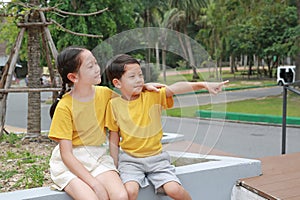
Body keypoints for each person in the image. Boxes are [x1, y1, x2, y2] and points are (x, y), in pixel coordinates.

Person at [105, 54, 229, 200]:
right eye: (132, 76)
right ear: (117, 83)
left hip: (157, 159)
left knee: (175, 190)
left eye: (140, 75)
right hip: (130, 161)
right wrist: (114, 166)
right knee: (130, 192)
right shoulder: (114, 105)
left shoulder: (152, 95)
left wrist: (204, 85)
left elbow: (174, 89)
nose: (139, 80)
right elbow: (113, 137)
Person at [48, 47, 161, 200]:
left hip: (98, 157)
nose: (97, 69)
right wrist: (95, 184)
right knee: (92, 198)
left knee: (121, 196)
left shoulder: (105, 94)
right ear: (73, 77)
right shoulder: (65, 107)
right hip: (71, 163)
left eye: (96, 63)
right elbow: (66, 155)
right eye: (90, 66)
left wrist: (143, 86)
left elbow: (128, 98)